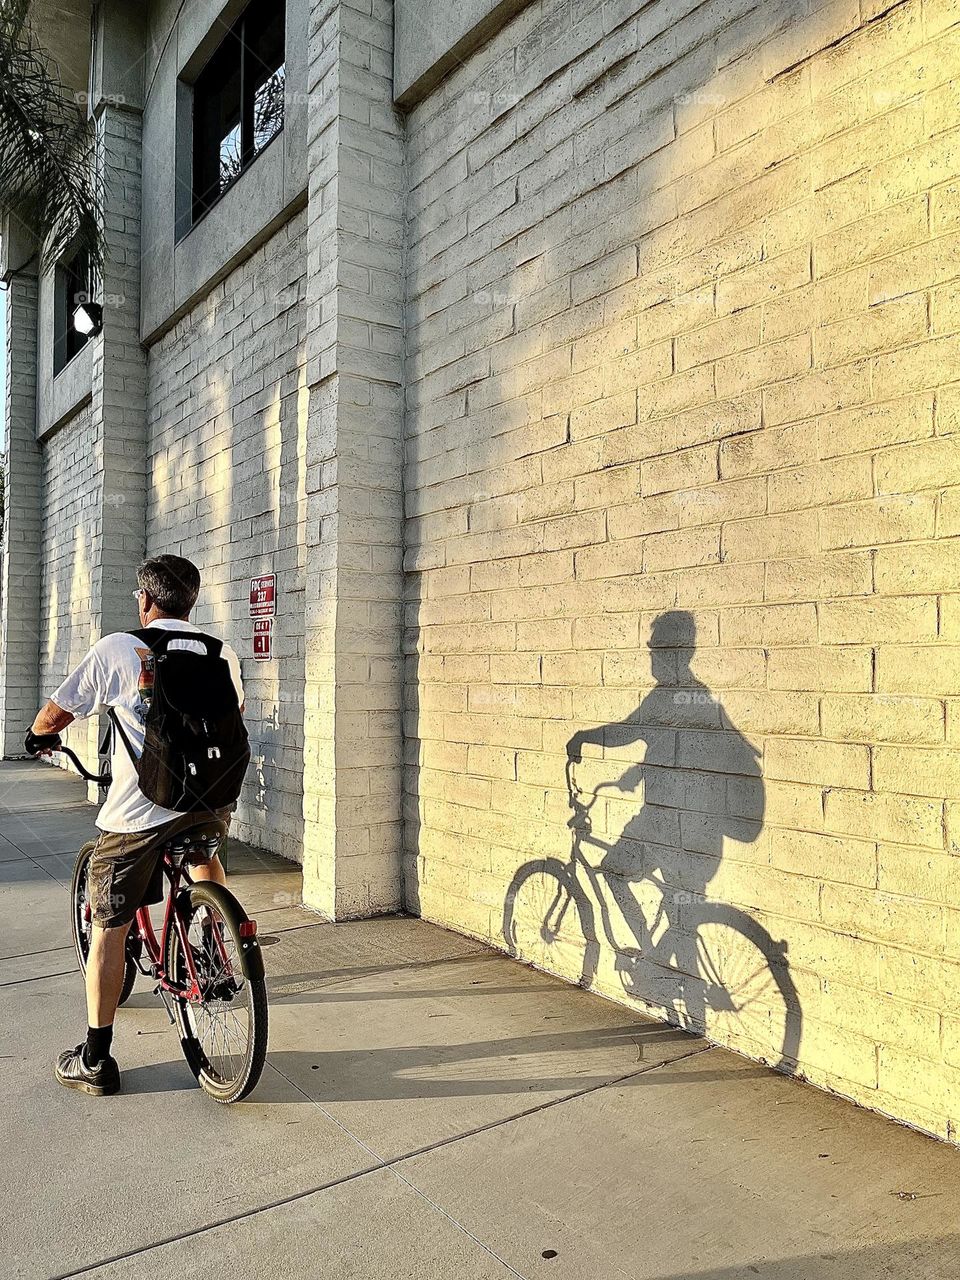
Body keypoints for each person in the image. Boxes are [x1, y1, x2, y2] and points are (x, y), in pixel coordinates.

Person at [24, 554, 244, 1096]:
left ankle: (95, 1059)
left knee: (109, 927)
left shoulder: (121, 647)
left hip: (139, 812)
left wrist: (38, 737)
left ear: (145, 602)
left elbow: (56, 715)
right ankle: (217, 944)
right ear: (191, 601)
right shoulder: (223, 654)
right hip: (209, 803)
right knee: (202, 856)